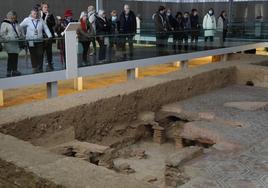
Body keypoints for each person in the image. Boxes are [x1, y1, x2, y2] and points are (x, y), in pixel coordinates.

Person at [20, 7, 52, 73]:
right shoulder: (27, 20)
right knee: (33, 54)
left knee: (40, 54)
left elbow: (45, 28)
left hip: (39, 40)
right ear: (31, 13)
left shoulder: (40, 20)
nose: (35, 15)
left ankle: (40, 67)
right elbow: (20, 26)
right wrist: (23, 35)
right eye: (34, 14)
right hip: (30, 41)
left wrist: (50, 36)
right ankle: (35, 67)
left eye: (37, 14)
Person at [0, 11, 24, 77]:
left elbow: (20, 31)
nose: (13, 19)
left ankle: (14, 70)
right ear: (8, 17)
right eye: (12, 18)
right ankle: (8, 71)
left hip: (16, 43)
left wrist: (21, 36)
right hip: (9, 43)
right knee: (11, 57)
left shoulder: (17, 23)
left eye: (15, 18)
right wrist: (9, 38)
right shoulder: (4, 23)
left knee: (15, 56)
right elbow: (2, 34)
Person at [40, 2, 56, 71]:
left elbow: (53, 24)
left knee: (49, 50)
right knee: (41, 51)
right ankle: (40, 64)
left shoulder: (50, 15)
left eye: (47, 7)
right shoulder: (39, 15)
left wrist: (48, 19)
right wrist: (44, 18)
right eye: (44, 7)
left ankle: (49, 63)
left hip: (49, 36)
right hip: (42, 36)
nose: (46, 8)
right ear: (42, 8)